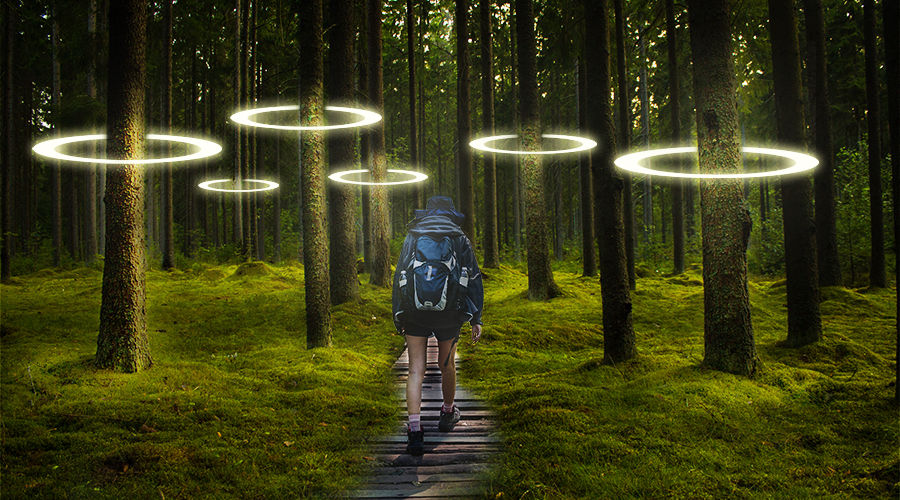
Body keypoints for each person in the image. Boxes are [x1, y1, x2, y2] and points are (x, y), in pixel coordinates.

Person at [392, 196, 484, 456]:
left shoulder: (413, 235)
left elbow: (400, 273)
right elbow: (474, 277)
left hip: (414, 313)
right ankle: (446, 413)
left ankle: (414, 431)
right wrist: (476, 317)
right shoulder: (458, 237)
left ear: (428, 213)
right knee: (447, 365)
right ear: (450, 213)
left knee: (415, 371)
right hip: (449, 314)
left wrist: (398, 313)